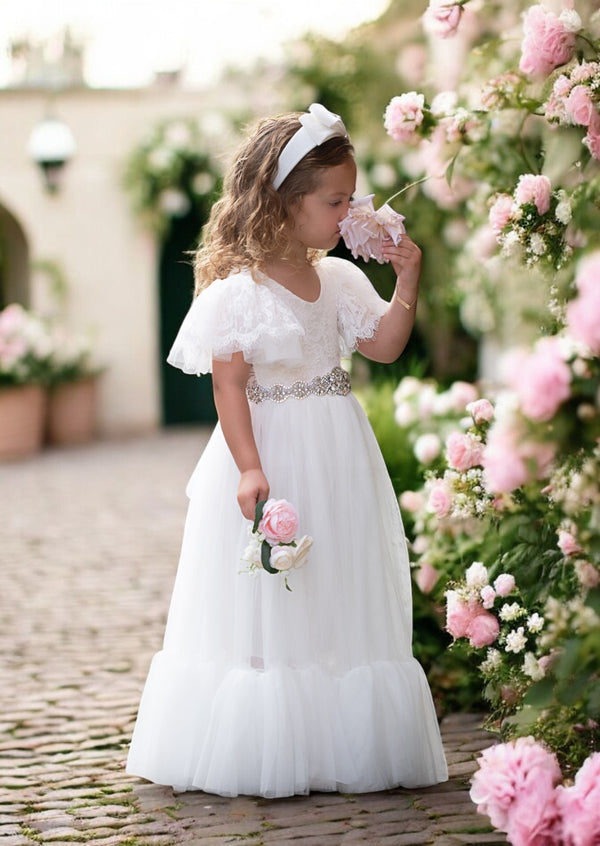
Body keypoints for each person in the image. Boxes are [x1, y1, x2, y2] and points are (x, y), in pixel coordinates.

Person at [126, 103, 448, 798]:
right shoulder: (237, 295)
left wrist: (408, 279)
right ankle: (268, 735)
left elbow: (384, 345)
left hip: (338, 450)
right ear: (285, 202)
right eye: (336, 201)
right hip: (270, 447)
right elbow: (230, 384)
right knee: (268, 594)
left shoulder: (340, 281)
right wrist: (248, 465)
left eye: (351, 198)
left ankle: (337, 735)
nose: (349, 212)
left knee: (337, 583)